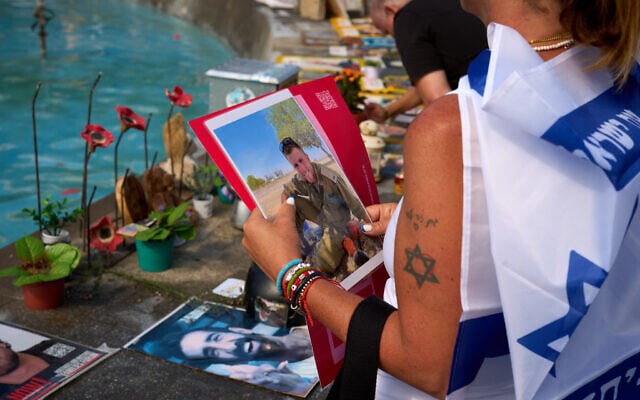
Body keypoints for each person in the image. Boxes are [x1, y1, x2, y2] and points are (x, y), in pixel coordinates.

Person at [243, 1, 640, 399]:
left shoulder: (452, 129)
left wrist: (291, 273)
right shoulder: (618, 70)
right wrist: (414, 220)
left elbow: (427, 364)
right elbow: (563, 218)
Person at [364, 0, 487, 123]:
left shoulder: (407, 18)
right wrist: (387, 111)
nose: (392, 36)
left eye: (386, 31)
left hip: (479, 119)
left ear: (390, 10)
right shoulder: (440, 7)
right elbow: (429, 81)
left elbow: (438, 101)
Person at [279, 137, 376, 278]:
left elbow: (353, 202)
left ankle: (346, 239)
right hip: (323, 218)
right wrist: (285, 200)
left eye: (301, 161)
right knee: (292, 201)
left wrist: (371, 224)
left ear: (307, 157)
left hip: (338, 221)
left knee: (324, 262)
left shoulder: (329, 177)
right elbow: (287, 190)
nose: (302, 168)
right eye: (296, 166)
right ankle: (298, 244)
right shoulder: (300, 180)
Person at [177, 325, 313, 365]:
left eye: (217, 338)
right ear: (233, 363)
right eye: (214, 352)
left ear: (241, 330)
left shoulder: (313, 320)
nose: (229, 347)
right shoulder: (301, 378)